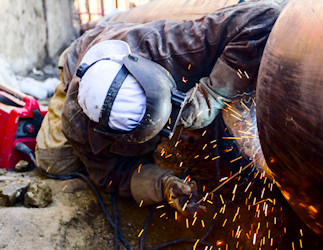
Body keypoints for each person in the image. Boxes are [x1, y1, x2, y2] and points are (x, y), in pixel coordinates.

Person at [35, 1, 281, 214]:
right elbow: (109, 175)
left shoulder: (170, 45)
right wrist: (162, 184)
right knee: (52, 162)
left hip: (117, 40)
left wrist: (213, 94)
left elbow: (265, 15)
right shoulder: (78, 125)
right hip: (76, 57)